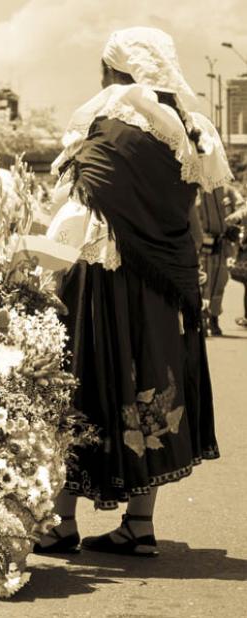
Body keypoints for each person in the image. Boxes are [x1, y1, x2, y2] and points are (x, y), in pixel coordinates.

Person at [35, 27, 231, 557]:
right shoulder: (189, 126)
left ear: (113, 69)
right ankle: (138, 525)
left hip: (105, 277)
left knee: (84, 382)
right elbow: (188, 214)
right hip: (164, 283)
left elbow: (85, 196)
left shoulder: (112, 119)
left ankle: (62, 523)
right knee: (150, 384)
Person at [191, 182, 245, 335]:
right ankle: (201, 317)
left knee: (220, 280)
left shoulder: (228, 190)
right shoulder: (196, 190)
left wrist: (236, 217)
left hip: (224, 243)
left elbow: (243, 207)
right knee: (203, 279)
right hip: (203, 243)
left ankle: (214, 317)